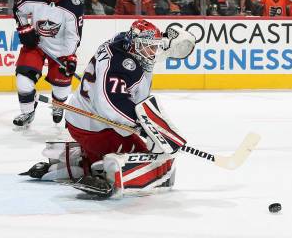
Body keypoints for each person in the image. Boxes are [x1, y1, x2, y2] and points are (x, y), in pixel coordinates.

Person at [20, 20, 195, 197]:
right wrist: (143, 125)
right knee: (153, 159)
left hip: (86, 121)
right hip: (96, 127)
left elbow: (149, 46)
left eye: (154, 46)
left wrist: (168, 43)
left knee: (146, 150)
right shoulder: (121, 65)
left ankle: (80, 161)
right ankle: (105, 174)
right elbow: (110, 105)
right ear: (134, 44)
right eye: (148, 47)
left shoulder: (123, 42)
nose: (152, 52)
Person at [12, 0, 84, 128]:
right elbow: (18, 10)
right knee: (23, 82)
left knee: (61, 89)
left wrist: (69, 57)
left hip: (61, 51)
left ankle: (58, 105)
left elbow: (73, 36)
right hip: (36, 46)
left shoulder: (74, 4)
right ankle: (28, 111)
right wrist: (25, 28)